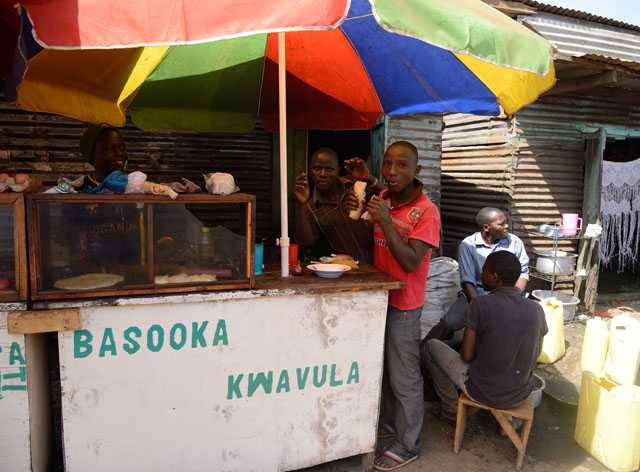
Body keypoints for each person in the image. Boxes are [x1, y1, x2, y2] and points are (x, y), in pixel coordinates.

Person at [355, 141, 440, 470]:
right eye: (388, 163)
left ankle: (409, 443)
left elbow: (409, 262)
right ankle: (393, 424)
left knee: (404, 375)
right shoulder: (385, 197)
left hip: (404, 304)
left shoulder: (427, 212)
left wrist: (386, 223)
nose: (392, 171)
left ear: (417, 170)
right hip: (379, 299)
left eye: (402, 165)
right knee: (385, 368)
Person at [423, 251, 547, 424]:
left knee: (431, 345)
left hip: (482, 392)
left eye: (484, 271)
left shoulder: (480, 305)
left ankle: (451, 410)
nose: (481, 274)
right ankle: (507, 424)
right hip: (520, 393)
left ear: (495, 277)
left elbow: (467, 356)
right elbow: (536, 353)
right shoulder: (536, 309)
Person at [425, 207, 529, 343]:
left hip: (509, 294)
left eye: (506, 222)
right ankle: (424, 349)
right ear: (486, 227)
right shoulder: (468, 245)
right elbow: (467, 280)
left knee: (508, 328)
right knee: (449, 323)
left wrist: (513, 298)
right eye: (501, 224)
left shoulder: (514, 242)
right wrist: (478, 306)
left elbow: (523, 273)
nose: (507, 226)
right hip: (477, 294)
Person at [294, 147, 373, 263]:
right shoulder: (311, 206)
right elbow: (306, 243)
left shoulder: (355, 186)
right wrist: (301, 204)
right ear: (310, 170)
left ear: (337, 170)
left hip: (374, 263)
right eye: (317, 168)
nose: (322, 174)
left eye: (329, 169)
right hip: (344, 269)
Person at [79, 124, 129, 193]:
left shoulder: (136, 187)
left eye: (122, 148)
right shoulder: (78, 189)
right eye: (109, 148)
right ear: (92, 156)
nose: (119, 153)